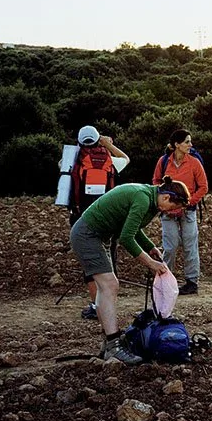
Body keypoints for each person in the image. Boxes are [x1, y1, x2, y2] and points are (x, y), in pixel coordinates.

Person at [69, 177, 185, 364]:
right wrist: (151, 263)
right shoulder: (143, 198)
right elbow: (126, 238)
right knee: (110, 285)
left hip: (100, 237)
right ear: (166, 197)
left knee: (106, 288)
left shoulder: (150, 199)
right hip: (87, 235)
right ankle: (113, 345)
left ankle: (109, 341)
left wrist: (150, 247)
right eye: (171, 207)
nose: (168, 211)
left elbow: (133, 228)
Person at [65, 125, 130, 320]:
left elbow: (62, 166)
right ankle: (110, 303)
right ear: (97, 140)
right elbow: (126, 159)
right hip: (108, 216)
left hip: (81, 216)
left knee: (90, 260)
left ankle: (95, 305)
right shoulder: (109, 159)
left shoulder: (75, 160)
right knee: (109, 257)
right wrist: (108, 144)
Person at [152, 129, 208, 295]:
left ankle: (191, 282)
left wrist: (188, 202)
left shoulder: (194, 163)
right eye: (187, 142)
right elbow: (155, 182)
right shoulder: (163, 162)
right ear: (177, 144)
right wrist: (164, 201)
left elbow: (203, 186)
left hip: (188, 210)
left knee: (190, 246)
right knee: (170, 246)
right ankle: (164, 279)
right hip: (168, 212)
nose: (190, 145)